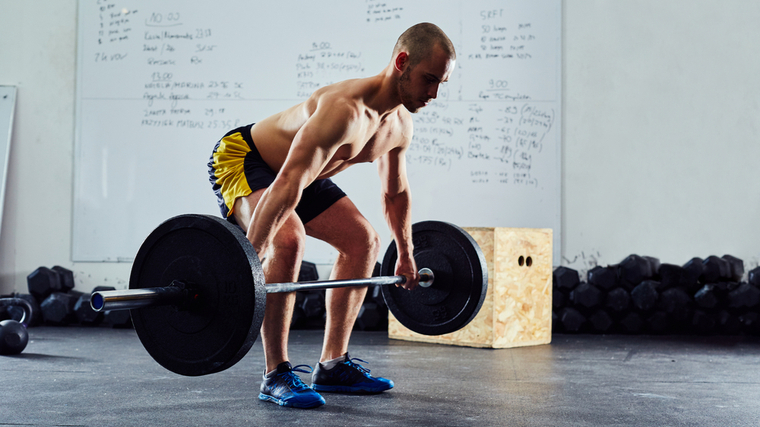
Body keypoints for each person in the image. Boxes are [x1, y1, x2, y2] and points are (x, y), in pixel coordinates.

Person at [208, 22, 455, 409]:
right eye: (429, 79)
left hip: (303, 174)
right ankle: (275, 374)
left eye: (441, 83)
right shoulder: (344, 110)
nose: (434, 93)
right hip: (248, 158)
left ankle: (333, 364)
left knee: (364, 241)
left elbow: (395, 192)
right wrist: (250, 262)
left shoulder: (399, 126)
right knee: (288, 239)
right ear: (402, 62)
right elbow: (288, 181)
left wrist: (405, 252)